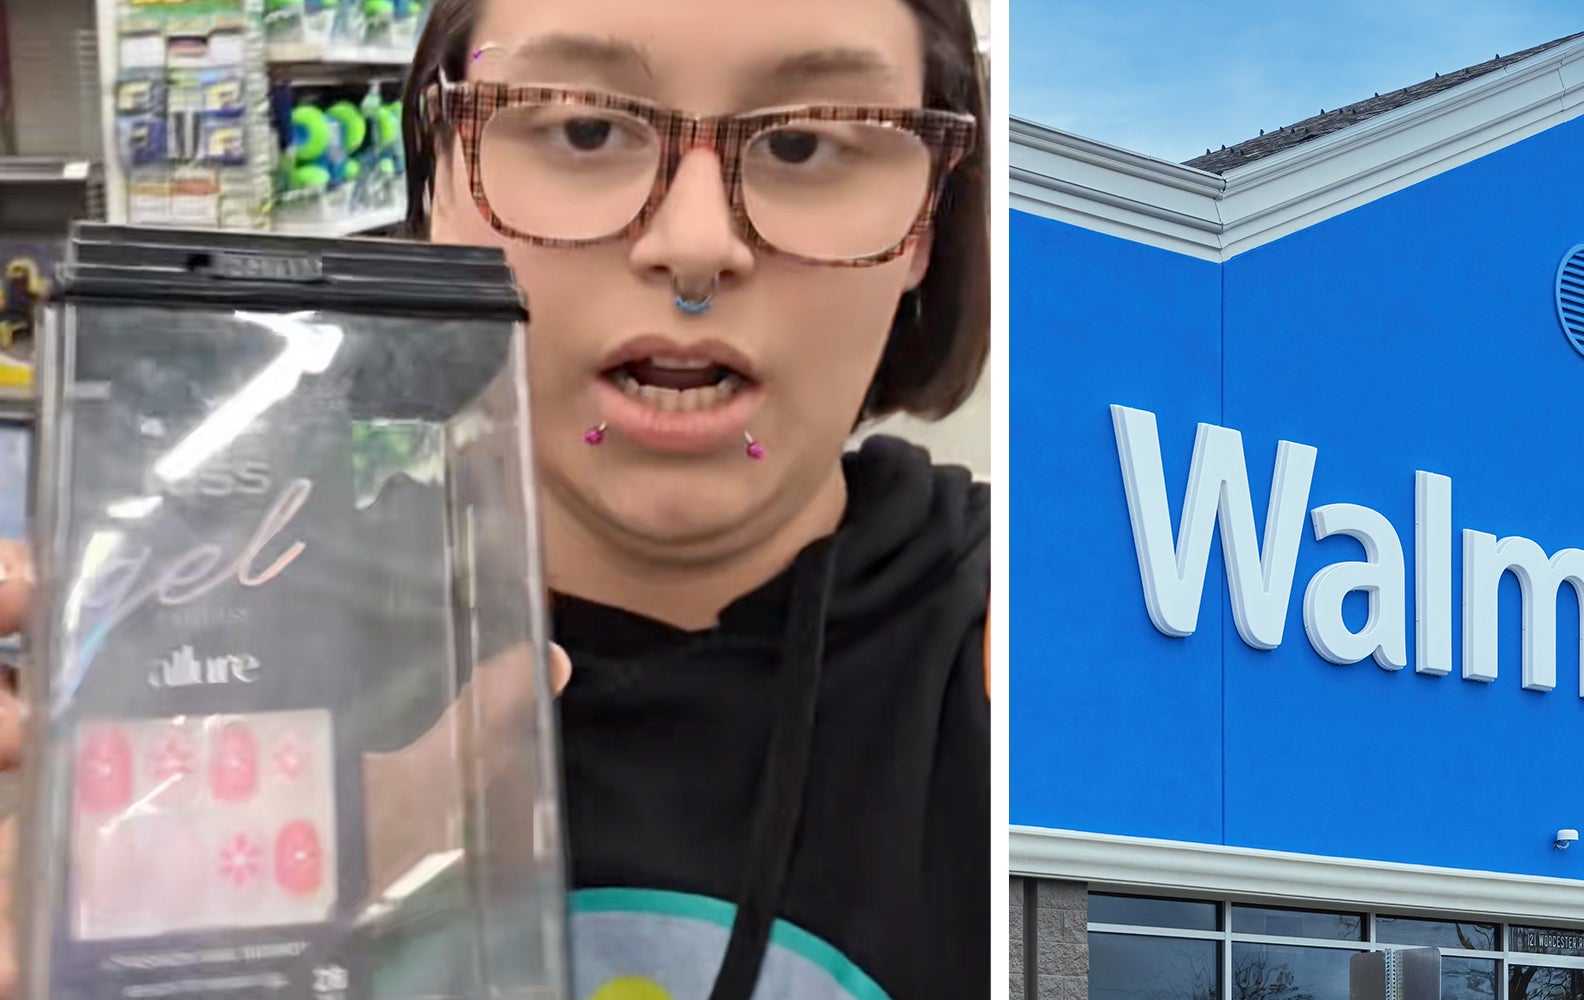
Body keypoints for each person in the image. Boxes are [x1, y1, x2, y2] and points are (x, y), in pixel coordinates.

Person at [0, 0, 990, 997]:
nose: (695, 248)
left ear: (925, 230)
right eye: (584, 128)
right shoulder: (188, 686)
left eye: (804, 141)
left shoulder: (1029, 666)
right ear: (434, 181)